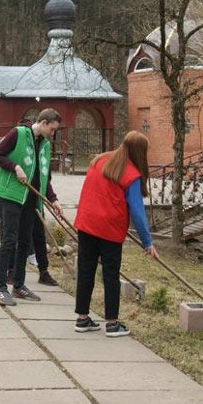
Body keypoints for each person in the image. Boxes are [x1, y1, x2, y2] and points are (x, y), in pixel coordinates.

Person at [73, 131, 158, 337]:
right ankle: (112, 324)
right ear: (140, 152)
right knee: (110, 275)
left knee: (85, 271)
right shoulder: (131, 175)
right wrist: (148, 242)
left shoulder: (98, 160)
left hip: (86, 224)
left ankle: (82, 319)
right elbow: (138, 212)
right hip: (109, 231)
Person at [0, 108, 63, 306]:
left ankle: (19, 285)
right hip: (12, 196)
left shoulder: (45, 145)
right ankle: (0, 288)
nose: (53, 134)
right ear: (44, 123)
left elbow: (43, 175)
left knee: (24, 242)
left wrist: (53, 199)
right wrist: (15, 167)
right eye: (53, 129)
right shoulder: (18, 133)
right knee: (8, 241)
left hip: (31, 201)